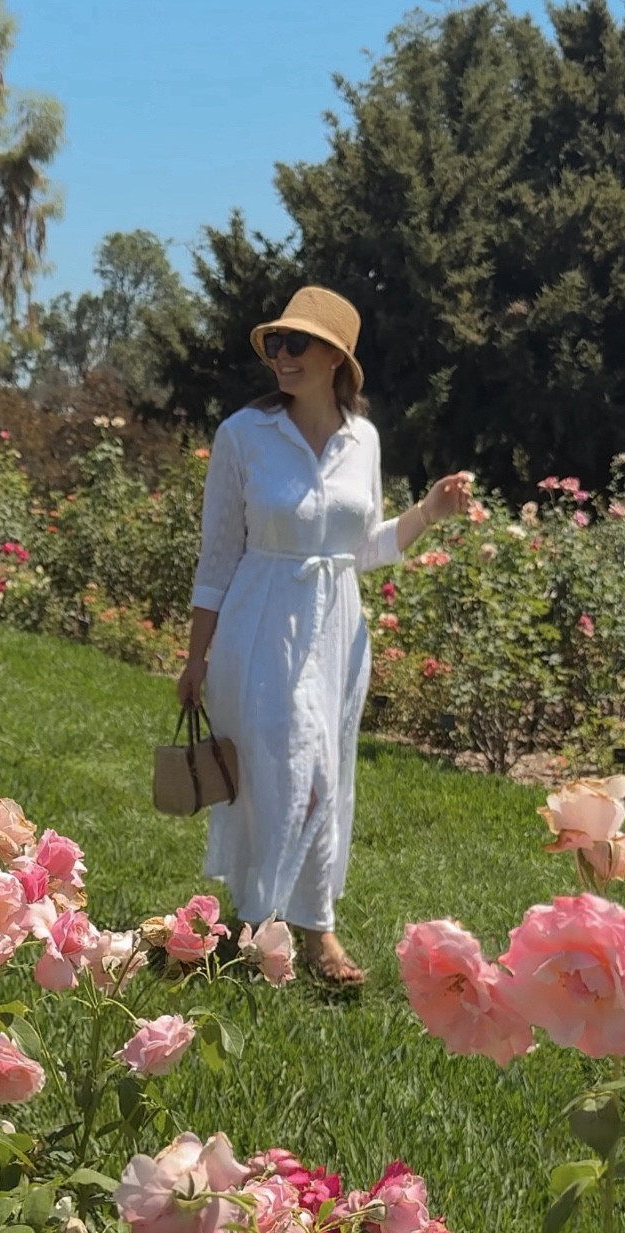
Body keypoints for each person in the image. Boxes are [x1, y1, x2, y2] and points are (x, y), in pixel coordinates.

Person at [177, 286, 471, 985]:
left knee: (325, 775)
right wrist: (195, 656)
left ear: (337, 356)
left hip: (338, 629)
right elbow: (218, 554)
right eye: (274, 343)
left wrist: (427, 512)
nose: (280, 356)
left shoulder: (361, 439)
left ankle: (306, 928)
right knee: (280, 772)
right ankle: (262, 923)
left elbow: (361, 547)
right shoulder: (243, 435)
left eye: (296, 343)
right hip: (260, 623)